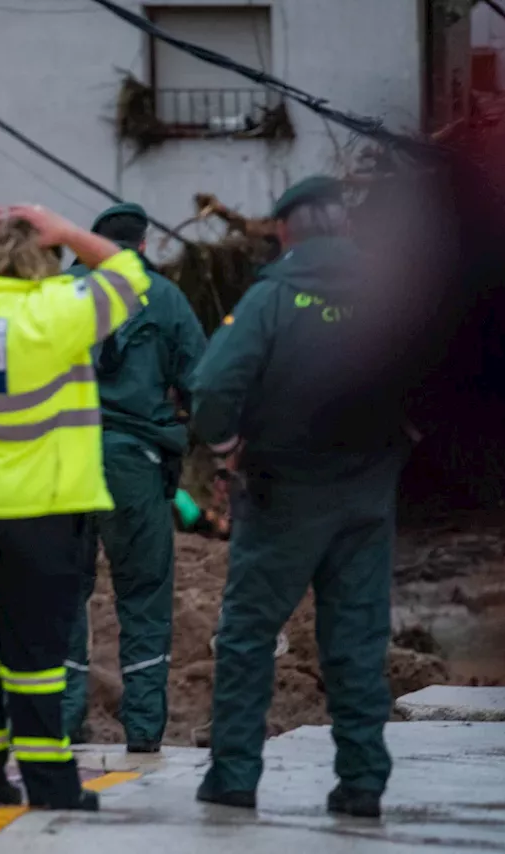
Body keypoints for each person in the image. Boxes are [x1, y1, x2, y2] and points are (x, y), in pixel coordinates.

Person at [0, 204, 153, 812]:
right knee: (36, 657)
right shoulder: (59, 311)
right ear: (42, 259)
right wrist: (65, 231)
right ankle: (50, 785)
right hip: (41, 517)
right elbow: (128, 274)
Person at [190, 176, 414, 818]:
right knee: (358, 638)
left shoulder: (272, 298)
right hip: (368, 493)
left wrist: (228, 444)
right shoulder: (391, 293)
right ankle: (363, 781)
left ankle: (234, 776)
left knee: (249, 635)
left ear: (287, 230)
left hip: (282, 492)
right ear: (344, 227)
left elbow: (211, 387)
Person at [60, 203, 207, 752]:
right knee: (143, 596)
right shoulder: (165, 297)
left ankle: (63, 720)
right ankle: (144, 732)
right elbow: (204, 382)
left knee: (62, 592)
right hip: (135, 467)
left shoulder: (60, 292)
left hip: (64, 461)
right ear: (142, 246)